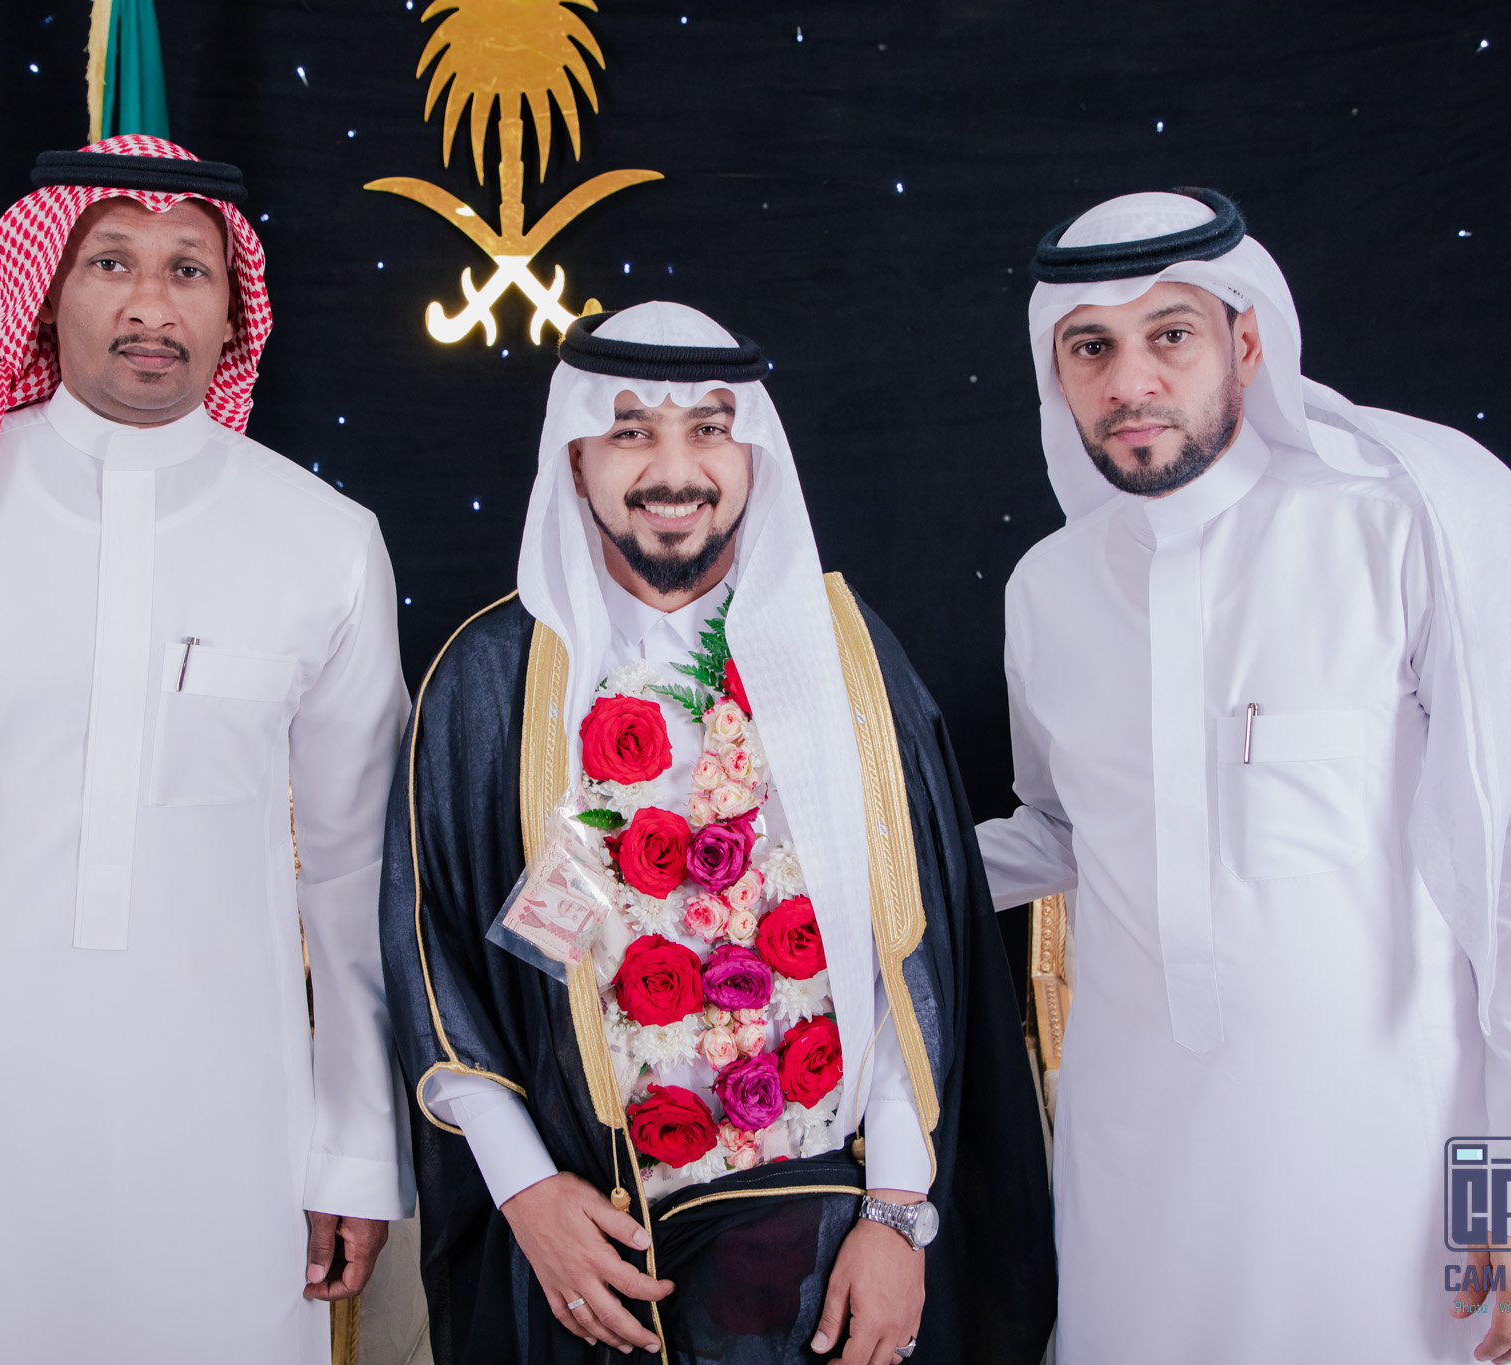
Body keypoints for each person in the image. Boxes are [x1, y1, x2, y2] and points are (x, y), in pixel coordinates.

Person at [0, 136, 412, 1364]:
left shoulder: (325, 540)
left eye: (188, 269)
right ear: (45, 289)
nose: (151, 304)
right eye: (111, 262)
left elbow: (359, 878)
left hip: (229, 1157)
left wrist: (356, 1149)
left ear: (234, 308)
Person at [977, 189, 1511, 1363]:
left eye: (1169, 334)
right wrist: (849, 878)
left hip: (1390, 1169)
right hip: (1138, 1178)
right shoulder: (1045, 588)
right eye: (1089, 348)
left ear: (1247, 341)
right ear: (1055, 374)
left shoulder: (1398, 525)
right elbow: (1061, 830)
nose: (1128, 381)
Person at [381, 302, 1054, 1365]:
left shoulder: (845, 663)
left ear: (754, 456)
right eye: (631, 430)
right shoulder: (491, 680)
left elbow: (907, 961)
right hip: (597, 1249)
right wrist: (525, 1194)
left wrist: (896, 1213)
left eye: (709, 427)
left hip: (835, 1233)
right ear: (575, 458)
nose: (673, 469)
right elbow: (439, 969)